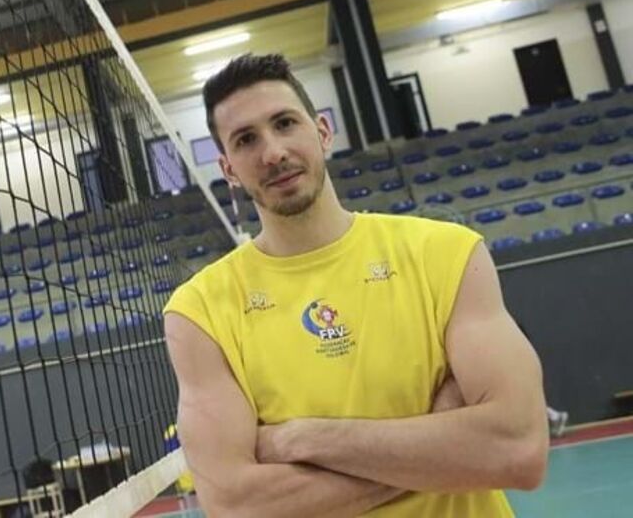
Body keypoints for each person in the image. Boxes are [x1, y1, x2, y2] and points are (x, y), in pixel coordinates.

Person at [163, 54, 548, 516]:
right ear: (228, 170)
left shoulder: (448, 254)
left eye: (285, 123)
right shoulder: (198, 312)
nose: (273, 152)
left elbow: (518, 449)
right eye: (246, 139)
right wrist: (438, 449)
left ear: (323, 132)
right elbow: (238, 507)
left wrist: (305, 438)